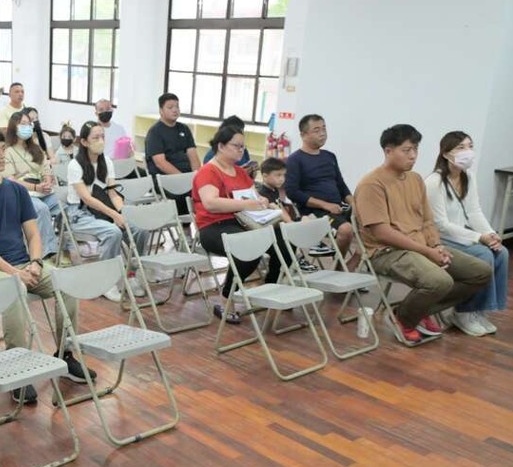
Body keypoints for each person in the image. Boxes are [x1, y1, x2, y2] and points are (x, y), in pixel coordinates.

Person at [0, 127, 93, 404]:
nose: (2, 155)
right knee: (13, 288)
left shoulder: (15, 189)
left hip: (25, 264)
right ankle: (17, 369)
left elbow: (33, 234)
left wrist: (37, 263)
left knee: (66, 283)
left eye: (2, 149)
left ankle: (65, 353)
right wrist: (16, 272)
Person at [354, 124, 491, 344]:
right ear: (388, 151)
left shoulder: (415, 179)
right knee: (439, 280)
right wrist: (427, 251)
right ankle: (404, 318)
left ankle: (416, 310)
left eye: (416, 149)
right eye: (406, 150)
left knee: (481, 271)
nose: (413, 156)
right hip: (386, 252)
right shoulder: (372, 184)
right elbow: (383, 233)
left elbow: (427, 220)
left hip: (421, 246)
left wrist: (436, 245)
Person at [193, 126, 292, 324]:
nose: (241, 150)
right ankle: (226, 299)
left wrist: (262, 202)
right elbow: (211, 203)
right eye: (236, 146)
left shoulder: (239, 172)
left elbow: (253, 197)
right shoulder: (208, 172)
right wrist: (247, 204)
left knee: (285, 239)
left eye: (242, 146)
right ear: (221, 146)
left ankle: (271, 288)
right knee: (249, 246)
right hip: (214, 227)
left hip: (244, 222)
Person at [423, 131, 507, 336]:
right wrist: (479, 238)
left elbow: (474, 211)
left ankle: (479, 310)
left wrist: (490, 233)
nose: (467, 151)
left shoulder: (468, 176)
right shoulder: (434, 182)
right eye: (461, 147)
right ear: (445, 153)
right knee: (484, 254)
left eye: (470, 146)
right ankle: (463, 312)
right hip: (441, 238)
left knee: (501, 252)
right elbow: (441, 225)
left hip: (462, 236)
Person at [66, 121, 151, 302]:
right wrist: (114, 215)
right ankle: (107, 282)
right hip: (81, 214)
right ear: (84, 142)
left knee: (140, 229)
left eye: (102, 136)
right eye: (95, 137)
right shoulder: (75, 165)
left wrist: (122, 212)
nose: (101, 141)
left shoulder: (107, 162)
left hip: (105, 210)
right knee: (112, 232)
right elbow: (87, 199)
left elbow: (112, 193)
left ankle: (131, 274)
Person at [285, 114, 357, 265]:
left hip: (337, 208)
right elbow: (292, 192)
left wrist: (355, 203)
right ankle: (339, 269)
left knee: (373, 223)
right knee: (346, 230)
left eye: (324, 128)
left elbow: (341, 185)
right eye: (316, 130)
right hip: (315, 212)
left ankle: (354, 264)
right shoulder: (295, 160)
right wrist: (325, 205)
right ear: (303, 135)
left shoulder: (329, 156)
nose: (322, 133)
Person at [1, 112, 59, 258]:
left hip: (43, 189)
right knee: (41, 209)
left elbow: (46, 167)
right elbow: (10, 180)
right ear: (14, 127)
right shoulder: (8, 151)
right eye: (23, 124)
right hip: (22, 192)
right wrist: (35, 187)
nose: (27, 127)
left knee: (64, 204)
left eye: (29, 124)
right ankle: (45, 253)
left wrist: (47, 180)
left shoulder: (36, 148)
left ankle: (66, 244)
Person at [145, 93, 201, 216]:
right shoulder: (155, 132)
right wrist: (183, 178)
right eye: (170, 107)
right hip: (164, 178)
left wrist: (198, 177)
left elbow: (193, 156)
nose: (175, 110)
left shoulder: (184, 129)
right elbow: (160, 163)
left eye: (177, 106)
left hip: (186, 176)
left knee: (206, 188)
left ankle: (203, 226)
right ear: (161, 111)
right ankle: (185, 228)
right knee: (184, 192)